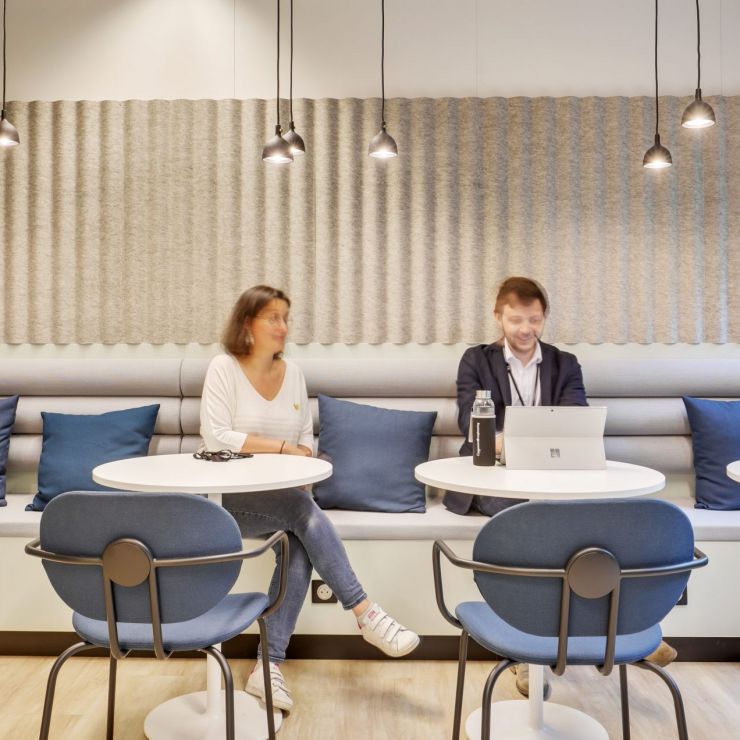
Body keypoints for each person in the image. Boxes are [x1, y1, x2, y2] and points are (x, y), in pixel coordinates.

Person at [444, 276, 675, 697]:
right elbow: (471, 424)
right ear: (498, 317)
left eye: (534, 320)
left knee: (590, 524)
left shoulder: (565, 363)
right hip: (495, 481)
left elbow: (574, 425)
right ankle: (537, 653)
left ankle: (620, 629)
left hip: (555, 478)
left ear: (544, 317)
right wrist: (510, 443)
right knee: (537, 523)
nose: (525, 329)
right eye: (516, 320)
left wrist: (518, 441)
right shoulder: (475, 360)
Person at [200, 285, 420, 712]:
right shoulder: (223, 368)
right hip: (226, 501)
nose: (283, 326)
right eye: (273, 317)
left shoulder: (294, 374)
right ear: (247, 323)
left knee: (297, 540)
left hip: (282, 501)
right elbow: (218, 438)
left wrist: (296, 460)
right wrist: (282, 450)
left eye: (286, 317)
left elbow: (305, 440)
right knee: (301, 513)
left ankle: (267, 666)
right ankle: (365, 612)